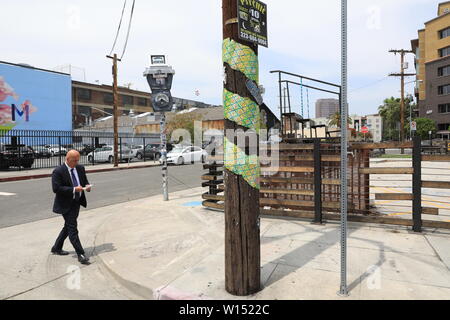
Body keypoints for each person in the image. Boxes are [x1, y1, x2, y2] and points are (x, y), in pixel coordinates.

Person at [51, 150, 92, 265]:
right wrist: (74, 189)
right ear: (67, 159)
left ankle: (56, 247)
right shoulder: (58, 171)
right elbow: (56, 188)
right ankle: (80, 253)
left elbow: (84, 182)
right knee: (72, 228)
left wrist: (87, 187)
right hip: (65, 204)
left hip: (76, 202)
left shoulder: (80, 168)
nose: (76, 162)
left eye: (78, 160)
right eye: (74, 160)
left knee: (68, 226)